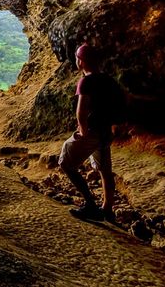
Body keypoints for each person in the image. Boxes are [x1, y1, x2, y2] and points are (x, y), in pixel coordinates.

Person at [58, 43, 117, 223]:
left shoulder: (86, 81)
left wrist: (82, 130)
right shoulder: (108, 79)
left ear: (81, 61)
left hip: (91, 132)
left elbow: (81, 111)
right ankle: (107, 209)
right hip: (105, 131)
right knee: (105, 171)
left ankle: (90, 205)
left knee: (66, 163)